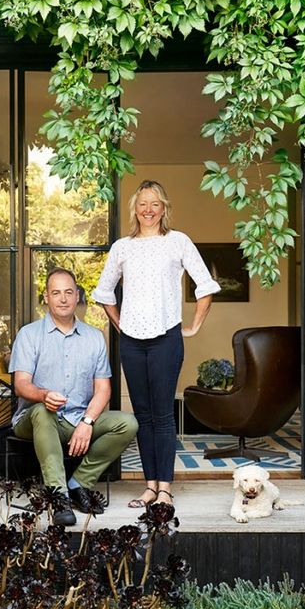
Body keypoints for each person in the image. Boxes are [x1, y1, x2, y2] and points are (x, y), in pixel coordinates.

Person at [92, 179, 221, 508]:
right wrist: (120, 324)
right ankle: (150, 486)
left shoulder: (178, 242)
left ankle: (165, 488)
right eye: (143, 204)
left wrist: (192, 326)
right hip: (132, 343)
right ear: (135, 208)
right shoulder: (122, 246)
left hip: (166, 338)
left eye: (155, 204)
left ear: (164, 209)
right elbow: (104, 292)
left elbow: (205, 286)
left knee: (163, 415)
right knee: (143, 415)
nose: (148, 210)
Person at [9, 267, 138, 526]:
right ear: (46, 297)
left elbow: (103, 389)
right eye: (56, 293)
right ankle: (59, 497)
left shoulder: (94, 337)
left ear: (78, 295)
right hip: (34, 420)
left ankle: (79, 484)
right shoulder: (29, 335)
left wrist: (87, 422)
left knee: (128, 423)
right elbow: (20, 385)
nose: (63, 298)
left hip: (78, 418)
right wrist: (43, 395)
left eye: (69, 292)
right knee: (43, 411)